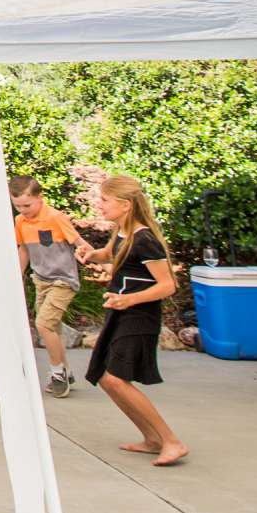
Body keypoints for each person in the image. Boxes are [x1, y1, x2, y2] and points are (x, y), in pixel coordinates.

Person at [84, 173, 187, 465]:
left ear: (126, 204)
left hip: (139, 317)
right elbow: (110, 254)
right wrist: (91, 255)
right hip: (120, 313)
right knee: (106, 379)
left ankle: (172, 441)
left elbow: (168, 285)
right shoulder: (121, 231)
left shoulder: (145, 240)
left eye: (105, 200)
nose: (100, 205)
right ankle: (152, 439)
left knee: (116, 379)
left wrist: (128, 299)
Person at [12, 174, 98, 399]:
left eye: (27, 205)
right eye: (17, 206)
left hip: (63, 280)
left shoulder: (55, 217)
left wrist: (99, 259)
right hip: (41, 279)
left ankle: (57, 372)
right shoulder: (21, 221)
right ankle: (66, 371)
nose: (23, 210)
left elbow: (79, 243)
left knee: (43, 325)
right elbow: (23, 250)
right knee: (53, 328)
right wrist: (16, 277)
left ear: (40, 198)